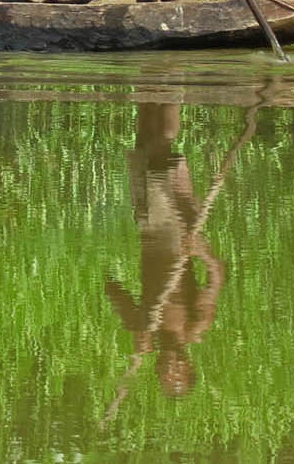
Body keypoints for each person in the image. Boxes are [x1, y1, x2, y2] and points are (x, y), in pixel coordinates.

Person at [104, 102, 225, 397]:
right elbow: (217, 274)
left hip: (148, 229)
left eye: (166, 374)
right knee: (163, 148)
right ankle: (168, 87)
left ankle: (149, 85)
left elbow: (111, 289)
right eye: (177, 372)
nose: (170, 366)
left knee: (145, 144)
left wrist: (136, 326)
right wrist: (200, 250)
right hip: (174, 234)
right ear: (188, 364)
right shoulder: (195, 325)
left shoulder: (150, 331)